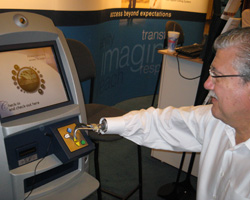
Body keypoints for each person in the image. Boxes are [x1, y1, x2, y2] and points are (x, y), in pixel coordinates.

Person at [97, 27, 250, 200]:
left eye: (217, 75)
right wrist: (103, 125)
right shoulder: (216, 119)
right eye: (210, 73)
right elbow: (163, 122)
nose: (207, 84)